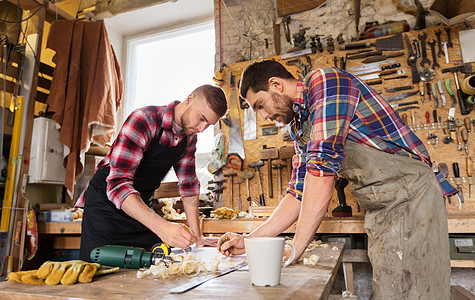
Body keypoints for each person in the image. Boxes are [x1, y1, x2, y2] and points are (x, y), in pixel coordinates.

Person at [217, 60, 455, 299]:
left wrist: (295, 248)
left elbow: (322, 173)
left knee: (412, 292)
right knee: (391, 289)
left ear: (276, 85)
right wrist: (250, 241)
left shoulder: (325, 83)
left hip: (411, 196)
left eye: (260, 105)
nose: (264, 116)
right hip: (383, 207)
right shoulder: (299, 126)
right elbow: (297, 193)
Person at [77, 84, 227, 262]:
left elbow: (189, 188)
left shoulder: (189, 139)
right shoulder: (144, 120)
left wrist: (197, 238)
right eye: (201, 118)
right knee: (101, 272)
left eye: (208, 124)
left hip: (139, 207)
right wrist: (162, 227)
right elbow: (118, 185)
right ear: (189, 99)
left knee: (148, 267)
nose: (202, 128)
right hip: (106, 207)